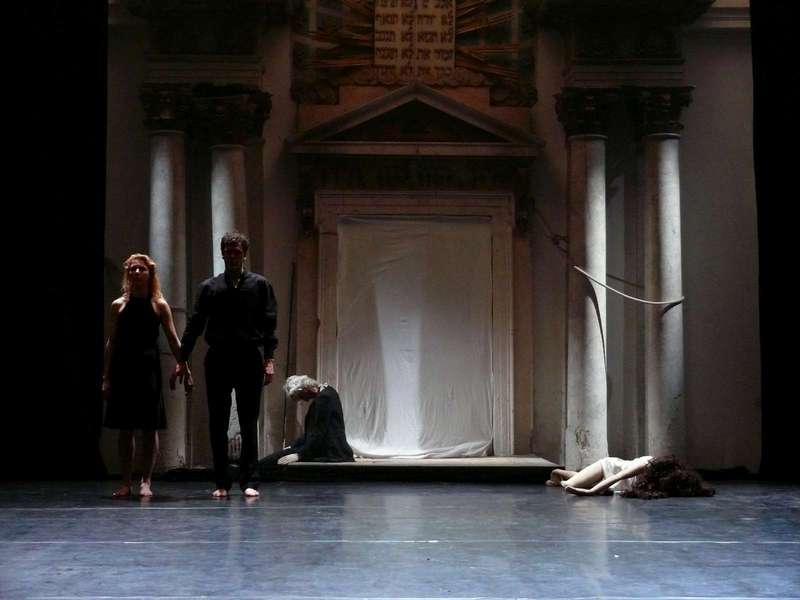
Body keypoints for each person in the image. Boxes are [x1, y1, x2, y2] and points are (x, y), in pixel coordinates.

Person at [173, 232, 277, 498]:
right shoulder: (210, 287)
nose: (232, 256)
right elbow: (195, 324)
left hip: (249, 357)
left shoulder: (260, 285)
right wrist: (182, 358)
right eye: (228, 251)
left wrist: (269, 359)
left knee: (248, 420)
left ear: (244, 254)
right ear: (222, 254)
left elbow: (269, 324)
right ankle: (221, 481)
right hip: (218, 358)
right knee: (217, 421)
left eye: (237, 251)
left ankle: (249, 480)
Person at [102, 253, 189, 498]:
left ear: (150, 274)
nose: (137, 273)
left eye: (141, 269)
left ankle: (146, 481)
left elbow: (173, 339)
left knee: (150, 427)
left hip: (148, 368)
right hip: (123, 368)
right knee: (125, 428)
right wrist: (106, 376)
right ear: (127, 273)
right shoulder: (118, 305)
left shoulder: (159, 304)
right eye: (133, 269)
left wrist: (184, 365)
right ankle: (126, 482)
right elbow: (111, 342)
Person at [258, 375, 354, 476]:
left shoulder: (324, 398)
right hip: (322, 447)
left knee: (269, 462)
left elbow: (318, 433)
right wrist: (293, 446)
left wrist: (299, 455)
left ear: (304, 389)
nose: (304, 400)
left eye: (301, 396)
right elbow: (312, 432)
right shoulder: (328, 392)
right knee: (272, 459)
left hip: (330, 451)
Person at [546, 455, 715, 498]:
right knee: (570, 484)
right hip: (608, 469)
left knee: (588, 483)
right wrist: (590, 493)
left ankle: (585, 478)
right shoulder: (646, 464)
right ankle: (558, 473)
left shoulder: (664, 483)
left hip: (615, 483)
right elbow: (617, 476)